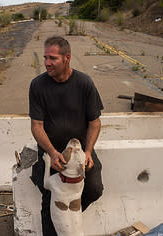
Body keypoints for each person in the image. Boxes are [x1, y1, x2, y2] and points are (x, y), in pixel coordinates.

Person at [29, 36, 104, 236]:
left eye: (52, 58)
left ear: (67, 58)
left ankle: (67, 217)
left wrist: (88, 151)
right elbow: (36, 126)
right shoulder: (37, 85)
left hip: (79, 151)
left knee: (95, 188)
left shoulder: (85, 83)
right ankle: (55, 221)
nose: (46, 63)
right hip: (50, 151)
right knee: (49, 197)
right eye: (45, 57)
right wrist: (52, 153)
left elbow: (94, 123)